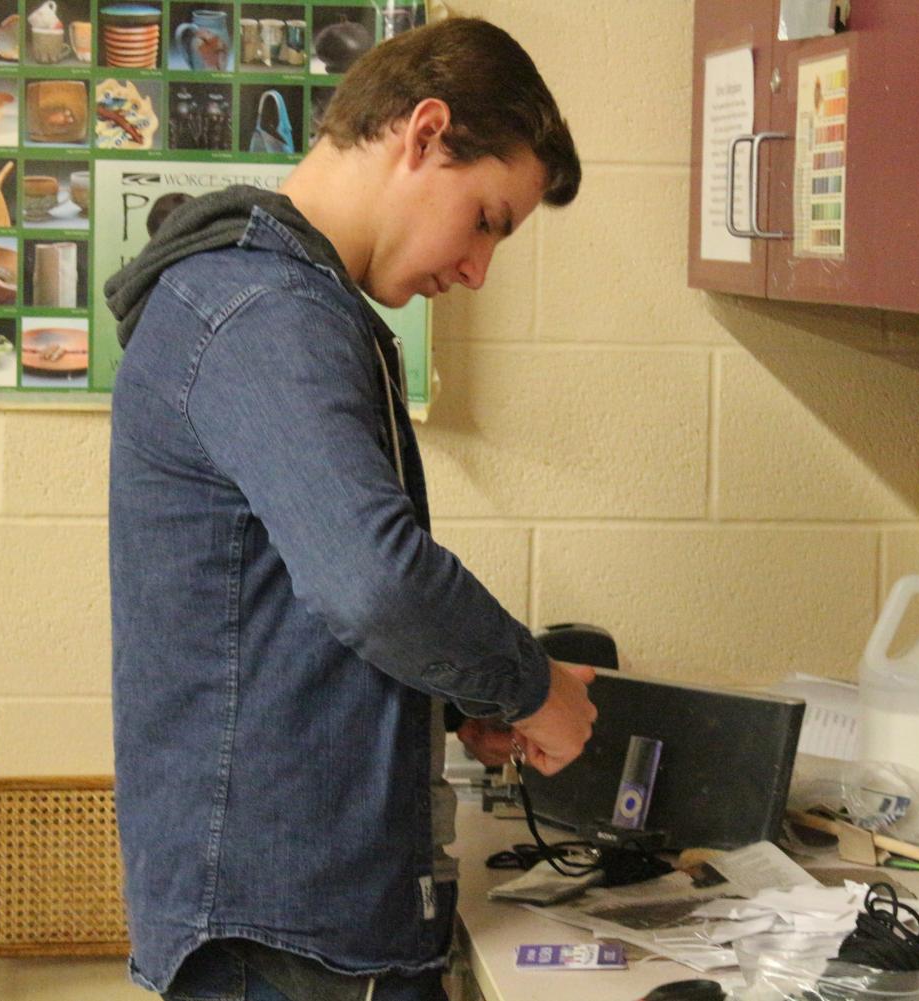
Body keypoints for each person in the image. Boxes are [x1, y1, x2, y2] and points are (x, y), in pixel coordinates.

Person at [105, 18, 596, 1001]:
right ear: (422, 133)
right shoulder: (262, 309)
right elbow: (373, 580)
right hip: (289, 939)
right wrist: (530, 684)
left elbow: (289, 599)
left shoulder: (275, 301)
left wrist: (466, 696)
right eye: (488, 219)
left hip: (300, 923)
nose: (476, 269)